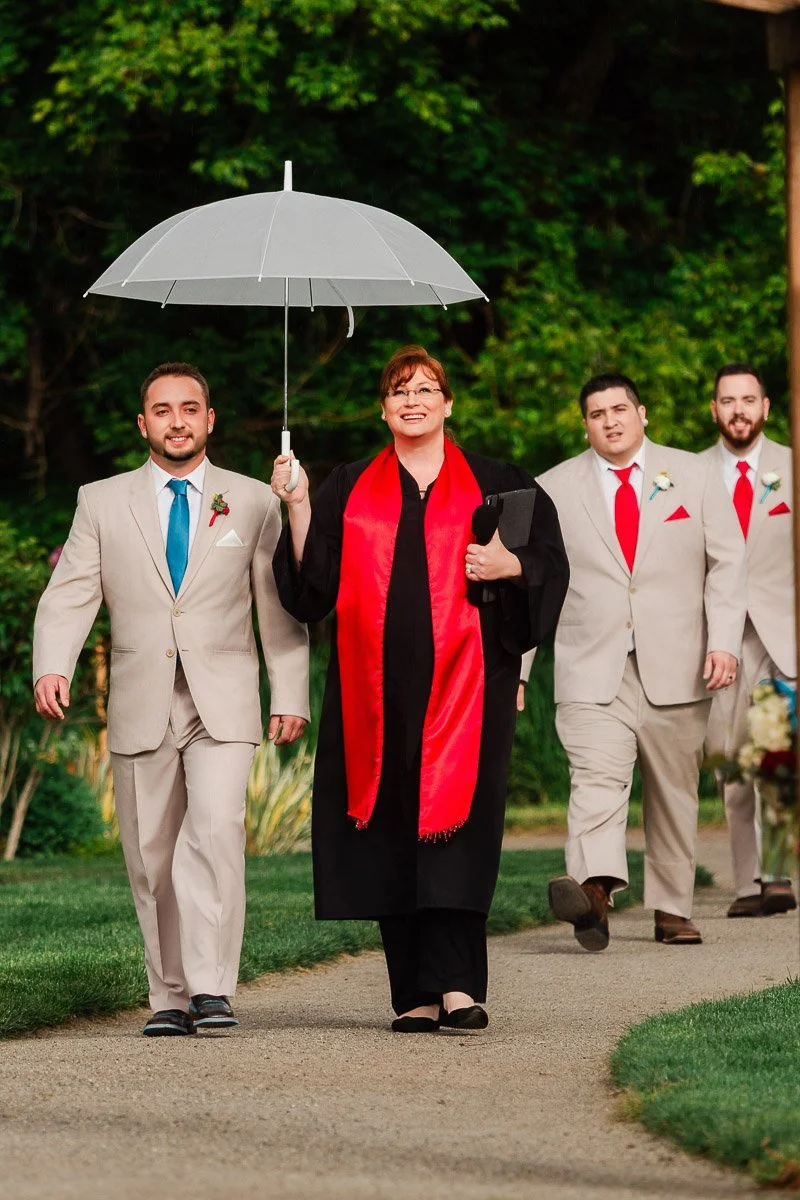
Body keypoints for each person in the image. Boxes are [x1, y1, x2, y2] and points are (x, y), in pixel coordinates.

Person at [270, 345, 569, 1032]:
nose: (413, 401)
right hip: (376, 695)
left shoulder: (497, 484)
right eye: (399, 390)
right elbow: (313, 588)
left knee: (460, 835)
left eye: (426, 388)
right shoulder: (347, 486)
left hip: (472, 688)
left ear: (448, 403)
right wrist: (298, 503)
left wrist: (509, 565)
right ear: (383, 409)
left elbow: (551, 562)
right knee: (391, 835)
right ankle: (413, 993)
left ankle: (459, 986)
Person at [33, 362, 310, 1036]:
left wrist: (290, 691)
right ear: (143, 423)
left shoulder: (254, 499)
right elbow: (72, 591)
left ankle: (212, 989)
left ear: (209, 419)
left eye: (190, 408)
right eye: (163, 410)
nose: (177, 421)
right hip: (141, 698)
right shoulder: (101, 501)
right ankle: (170, 996)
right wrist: (53, 664)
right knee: (151, 856)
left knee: (215, 831)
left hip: (225, 700)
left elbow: (277, 607)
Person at [526, 373, 745, 951]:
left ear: (642, 414)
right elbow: (533, 583)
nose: (611, 421)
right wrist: (517, 670)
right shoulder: (552, 488)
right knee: (595, 780)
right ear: (585, 426)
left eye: (620, 409)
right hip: (590, 664)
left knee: (674, 792)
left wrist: (724, 641)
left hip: (680, 662)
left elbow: (727, 563)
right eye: (597, 414)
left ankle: (673, 908)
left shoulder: (695, 475)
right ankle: (593, 894)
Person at [702, 362, 797, 917]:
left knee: (779, 757)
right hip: (718, 639)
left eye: (748, 400)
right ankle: (746, 884)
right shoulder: (688, 474)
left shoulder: (793, 467)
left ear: (765, 407)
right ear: (714, 410)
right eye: (727, 400)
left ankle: (777, 875)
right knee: (732, 761)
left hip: (784, 637)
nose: (738, 410)